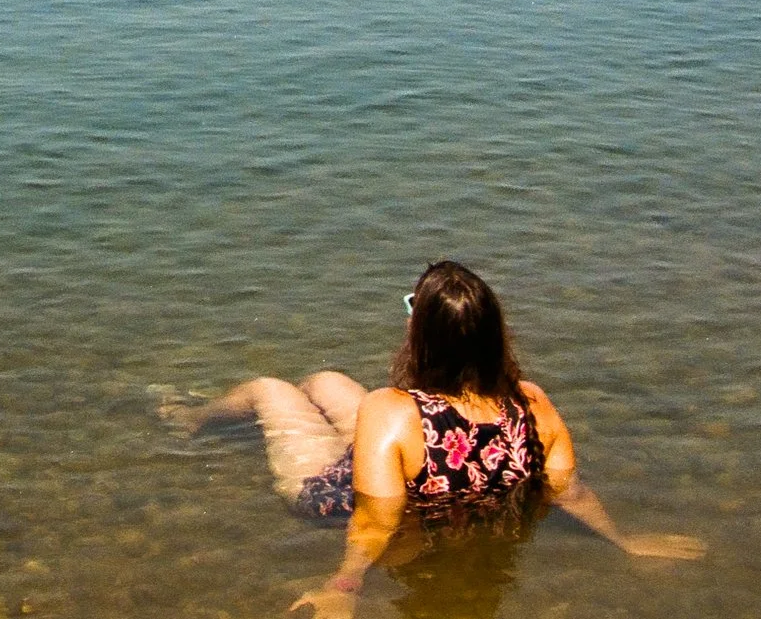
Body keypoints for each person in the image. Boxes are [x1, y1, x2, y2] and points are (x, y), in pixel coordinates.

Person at [164, 261, 702, 614]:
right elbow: (570, 491)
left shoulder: (389, 409)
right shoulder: (533, 402)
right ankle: (277, 402)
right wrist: (624, 540)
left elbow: (376, 518)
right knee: (325, 381)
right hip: (411, 458)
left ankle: (192, 421)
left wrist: (344, 586)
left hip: (331, 493)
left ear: (418, 333)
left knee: (268, 388)